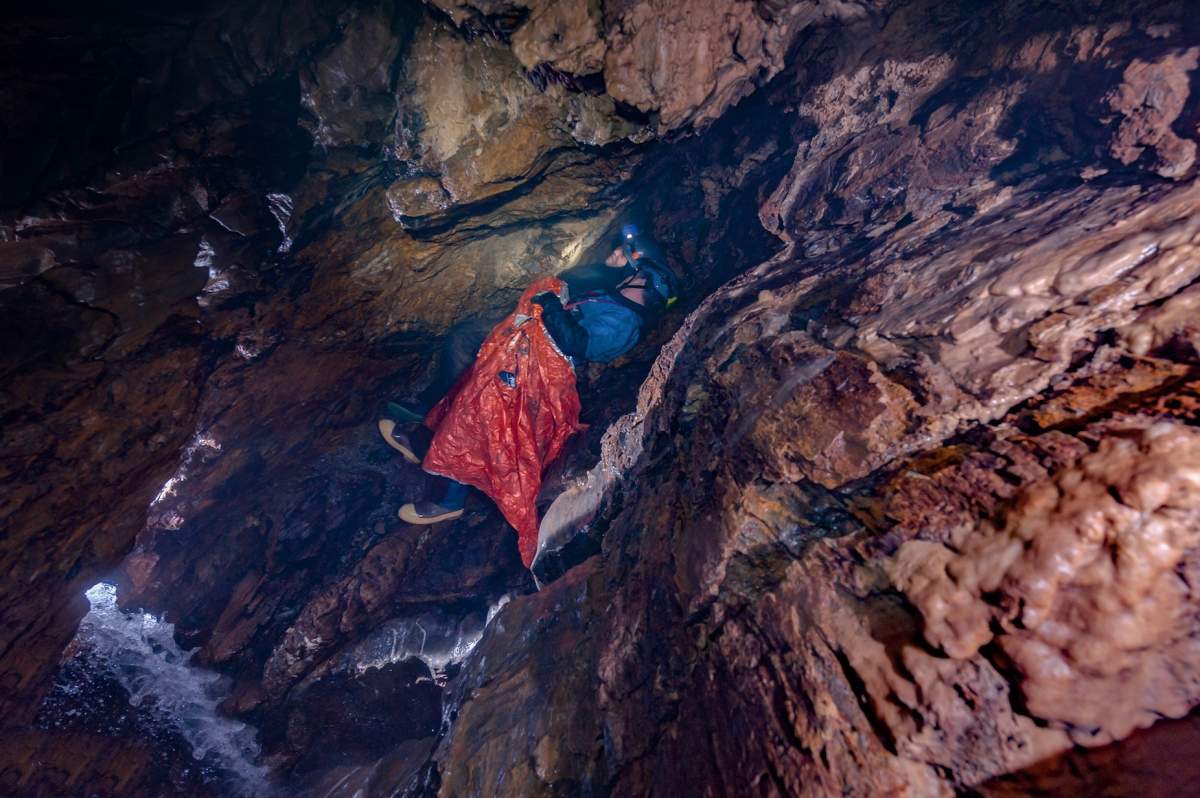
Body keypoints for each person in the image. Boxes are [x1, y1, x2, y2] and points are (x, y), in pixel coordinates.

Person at [378, 227, 678, 558]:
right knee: (472, 393)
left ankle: (447, 499)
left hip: (542, 380)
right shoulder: (613, 300)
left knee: (482, 418)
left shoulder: (625, 323)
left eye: (636, 274)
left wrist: (549, 305)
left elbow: (576, 342)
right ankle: (427, 443)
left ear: (646, 286)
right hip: (528, 359)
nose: (628, 275)